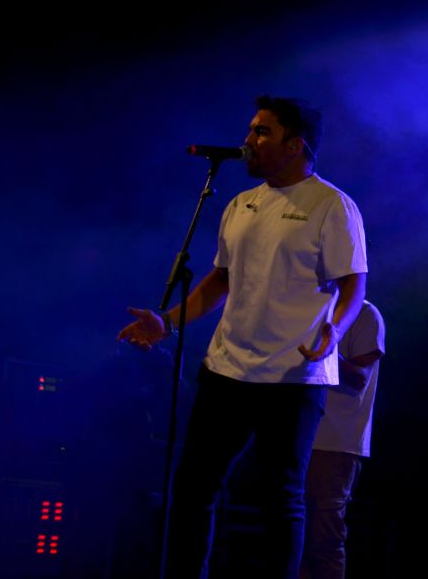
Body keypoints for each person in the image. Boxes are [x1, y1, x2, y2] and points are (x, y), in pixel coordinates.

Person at [119, 95, 368, 578]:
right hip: (226, 370)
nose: (247, 141)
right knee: (192, 490)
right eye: (251, 129)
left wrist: (333, 332)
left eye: (262, 133)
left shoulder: (331, 206)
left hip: (293, 377)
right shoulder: (241, 203)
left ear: (295, 145)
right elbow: (220, 279)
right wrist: (167, 321)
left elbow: (353, 285)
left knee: (281, 500)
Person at [300, 299, 385, 579]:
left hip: (335, 444)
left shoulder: (365, 314)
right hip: (301, 434)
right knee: (293, 536)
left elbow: (360, 377)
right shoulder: (312, 305)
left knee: (323, 540)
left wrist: (319, 350)